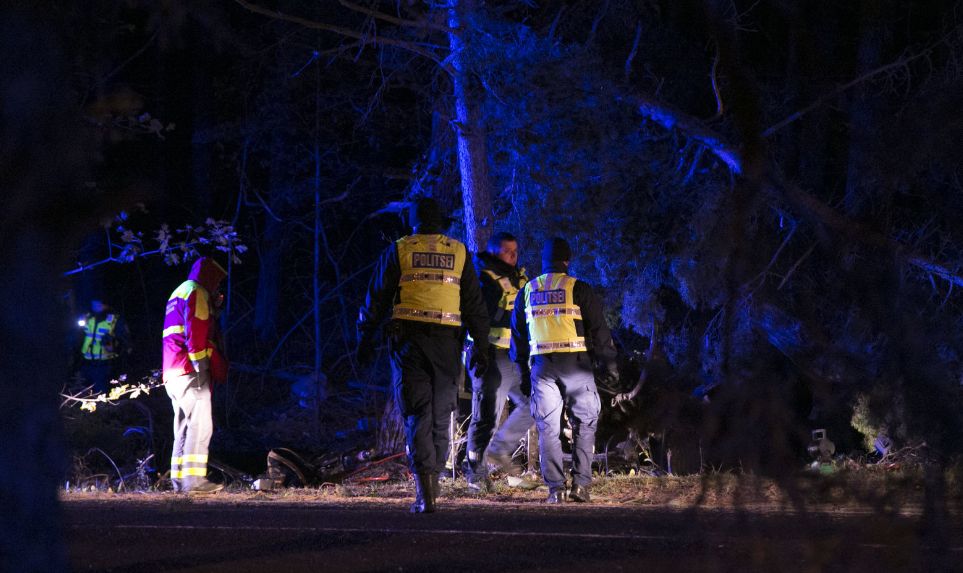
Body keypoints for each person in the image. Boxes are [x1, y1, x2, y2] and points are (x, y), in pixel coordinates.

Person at [356, 197, 491, 513]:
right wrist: (482, 346)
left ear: (412, 222)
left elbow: (376, 298)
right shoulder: (458, 252)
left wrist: (364, 339)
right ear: (440, 222)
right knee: (442, 413)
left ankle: (425, 493)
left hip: (410, 344)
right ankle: (433, 483)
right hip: (447, 345)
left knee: (418, 412)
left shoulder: (400, 250)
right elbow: (474, 303)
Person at [510, 237, 621, 503]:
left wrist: (523, 375)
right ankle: (581, 486)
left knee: (548, 428)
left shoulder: (527, 291)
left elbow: (518, 340)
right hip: (577, 366)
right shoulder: (578, 288)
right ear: (567, 261)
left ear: (543, 262)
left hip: (542, 368)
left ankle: (556, 490)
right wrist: (611, 369)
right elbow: (600, 332)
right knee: (585, 423)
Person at [464, 232, 534, 492]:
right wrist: (480, 353)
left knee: (536, 404)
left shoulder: (520, 278)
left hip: (516, 357)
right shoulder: (483, 278)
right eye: (507, 251)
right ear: (493, 252)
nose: (513, 256)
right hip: (490, 355)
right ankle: (475, 475)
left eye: (515, 251)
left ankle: (499, 449)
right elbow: (474, 317)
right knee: (486, 417)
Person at [161, 256, 227, 494]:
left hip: (172, 370)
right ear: (209, 277)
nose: (218, 288)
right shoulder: (197, 292)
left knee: (183, 426)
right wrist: (202, 366)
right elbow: (196, 330)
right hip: (190, 369)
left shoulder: (179, 292)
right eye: (217, 282)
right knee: (200, 425)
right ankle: (194, 481)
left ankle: (179, 481)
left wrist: (214, 308)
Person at [78, 299, 129, 395]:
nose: (95, 307)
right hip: (85, 363)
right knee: (84, 393)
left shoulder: (115, 320)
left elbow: (125, 341)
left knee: (101, 394)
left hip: (104, 365)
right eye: (94, 304)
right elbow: (79, 336)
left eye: (99, 304)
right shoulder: (87, 317)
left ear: (106, 305)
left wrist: (114, 346)